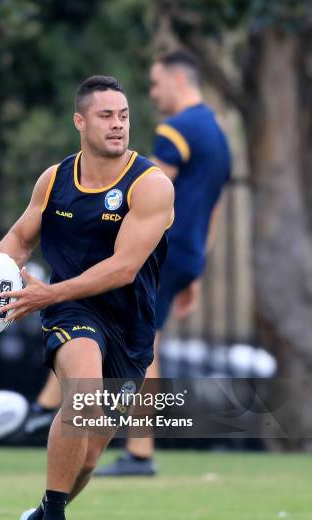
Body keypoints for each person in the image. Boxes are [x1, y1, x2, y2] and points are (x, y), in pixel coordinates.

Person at [0, 75, 174, 520]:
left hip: (129, 325)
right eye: (106, 115)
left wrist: (44, 293)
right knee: (81, 390)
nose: (118, 123)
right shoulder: (55, 180)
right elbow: (20, 235)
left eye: (123, 114)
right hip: (72, 311)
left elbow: (124, 268)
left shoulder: (150, 184)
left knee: (88, 457)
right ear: (80, 121)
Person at [95, 50, 232, 476]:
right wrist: (196, 268)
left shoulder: (176, 129)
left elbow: (150, 193)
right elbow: (212, 207)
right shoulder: (216, 132)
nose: (153, 94)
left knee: (138, 345)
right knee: (139, 341)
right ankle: (129, 443)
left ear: (177, 79)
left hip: (162, 251)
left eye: (155, 85)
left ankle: (139, 450)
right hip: (187, 254)